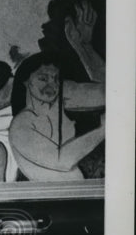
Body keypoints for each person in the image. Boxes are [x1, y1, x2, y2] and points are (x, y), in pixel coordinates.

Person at [8, 53, 105, 182]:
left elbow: (106, 93)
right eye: (43, 79)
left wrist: (84, 48)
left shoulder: (58, 102)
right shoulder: (21, 125)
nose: (52, 85)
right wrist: (102, 130)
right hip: (51, 196)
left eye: (56, 79)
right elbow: (62, 160)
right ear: (26, 82)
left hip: (78, 188)